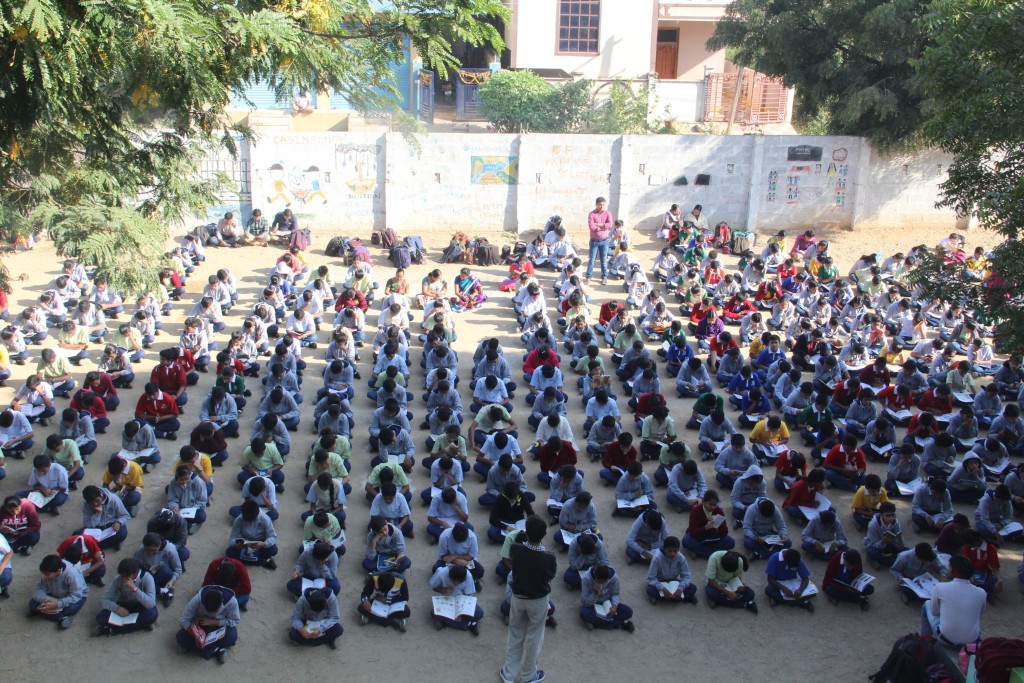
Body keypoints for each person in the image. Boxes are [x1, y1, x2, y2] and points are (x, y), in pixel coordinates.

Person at [501, 515, 556, 683]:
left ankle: (509, 674)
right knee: (535, 637)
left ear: (525, 532)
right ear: (545, 533)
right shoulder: (549, 558)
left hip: (518, 597)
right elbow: (550, 577)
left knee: (515, 634)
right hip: (538, 599)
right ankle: (528, 675)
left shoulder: (516, 549)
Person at [920, 554, 986, 647]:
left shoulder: (940, 587)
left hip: (946, 640)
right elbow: (979, 615)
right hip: (971, 642)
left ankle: (925, 643)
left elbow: (934, 612)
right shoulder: (981, 592)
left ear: (952, 570)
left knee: (927, 603)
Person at [92, 557, 159, 636]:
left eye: (126, 576)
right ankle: (141, 625)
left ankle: (112, 630)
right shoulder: (118, 579)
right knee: (101, 617)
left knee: (152, 614)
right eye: (122, 576)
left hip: (140, 606)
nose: (123, 579)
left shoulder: (147, 578)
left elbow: (150, 603)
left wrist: (134, 589)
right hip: (125, 605)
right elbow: (104, 599)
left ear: (136, 572)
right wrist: (117, 608)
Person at [176, 584, 240, 663]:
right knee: (180, 636)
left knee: (232, 637)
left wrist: (215, 622)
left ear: (221, 603)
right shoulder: (198, 599)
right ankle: (217, 651)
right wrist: (196, 636)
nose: (211, 615)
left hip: (219, 627)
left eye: (214, 612)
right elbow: (184, 620)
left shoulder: (231, 601)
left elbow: (235, 621)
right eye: (208, 611)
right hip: (200, 628)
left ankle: (197, 648)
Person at [27, 553, 89, 629]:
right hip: (54, 594)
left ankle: (57, 616)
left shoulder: (71, 574)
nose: (44, 576)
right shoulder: (47, 571)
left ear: (58, 571)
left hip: (74, 596)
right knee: (32, 603)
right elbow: (40, 588)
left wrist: (58, 604)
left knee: (70, 609)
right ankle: (61, 618)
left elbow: (76, 595)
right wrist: (43, 599)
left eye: (47, 575)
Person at [428, 563, 484, 634]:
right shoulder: (441, 573)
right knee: (434, 612)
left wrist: (460, 612)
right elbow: (434, 587)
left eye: (458, 583)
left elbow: (468, 596)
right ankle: (470, 624)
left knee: (479, 613)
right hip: (446, 601)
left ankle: (446, 622)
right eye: (453, 582)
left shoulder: (468, 576)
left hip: (461, 602)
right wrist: (444, 590)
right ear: (449, 576)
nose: (455, 585)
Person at [226, 499, 279, 569]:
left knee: (273, 549)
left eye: (253, 521)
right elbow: (232, 538)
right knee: (229, 552)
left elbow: (273, 536)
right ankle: (263, 561)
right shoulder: (238, 520)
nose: (251, 523)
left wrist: (264, 544)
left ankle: (246, 559)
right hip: (245, 545)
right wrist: (236, 545)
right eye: (248, 521)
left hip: (260, 544)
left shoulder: (265, 519)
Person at [645, 536, 697, 604]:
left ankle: (664, 598)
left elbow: (686, 576)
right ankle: (682, 598)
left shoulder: (681, 558)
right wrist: (663, 589)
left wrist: (680, 589)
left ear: (678, 549)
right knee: (650, 590)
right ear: (664, 548)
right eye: (669, 551)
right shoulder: (657, 558)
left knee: (693, 588)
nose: (672, 554)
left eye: (675, 551)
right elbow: (650, 578)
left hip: (674, 581)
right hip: (660, 581)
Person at [585, 196, 614, 284]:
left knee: (604, 260)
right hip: (594, 241)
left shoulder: (608, 213)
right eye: (599, 205)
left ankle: (604, 277)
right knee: (592, 260)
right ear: (596, 205)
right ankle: (588, 277)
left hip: (605, 241)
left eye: (603, 205)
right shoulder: (592, 214)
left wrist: (599, 225)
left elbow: (610, 225)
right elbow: (592, 227)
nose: (601, 206)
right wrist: (603, 227)